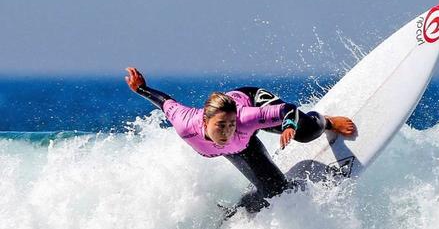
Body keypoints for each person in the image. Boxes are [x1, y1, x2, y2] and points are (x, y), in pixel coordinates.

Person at [124, 67, 356, 213]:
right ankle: (239, 211)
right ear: (204, 122)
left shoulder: (245, 119)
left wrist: (288, 126)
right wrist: (142, 89)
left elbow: (287, 109)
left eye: (230, 125)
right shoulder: (186, 124)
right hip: (241, 146)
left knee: (305, 132)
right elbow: (165, 103)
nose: (227, 131)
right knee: (274, 191)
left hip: (253, 101)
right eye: (221, 126)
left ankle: (326, 121)